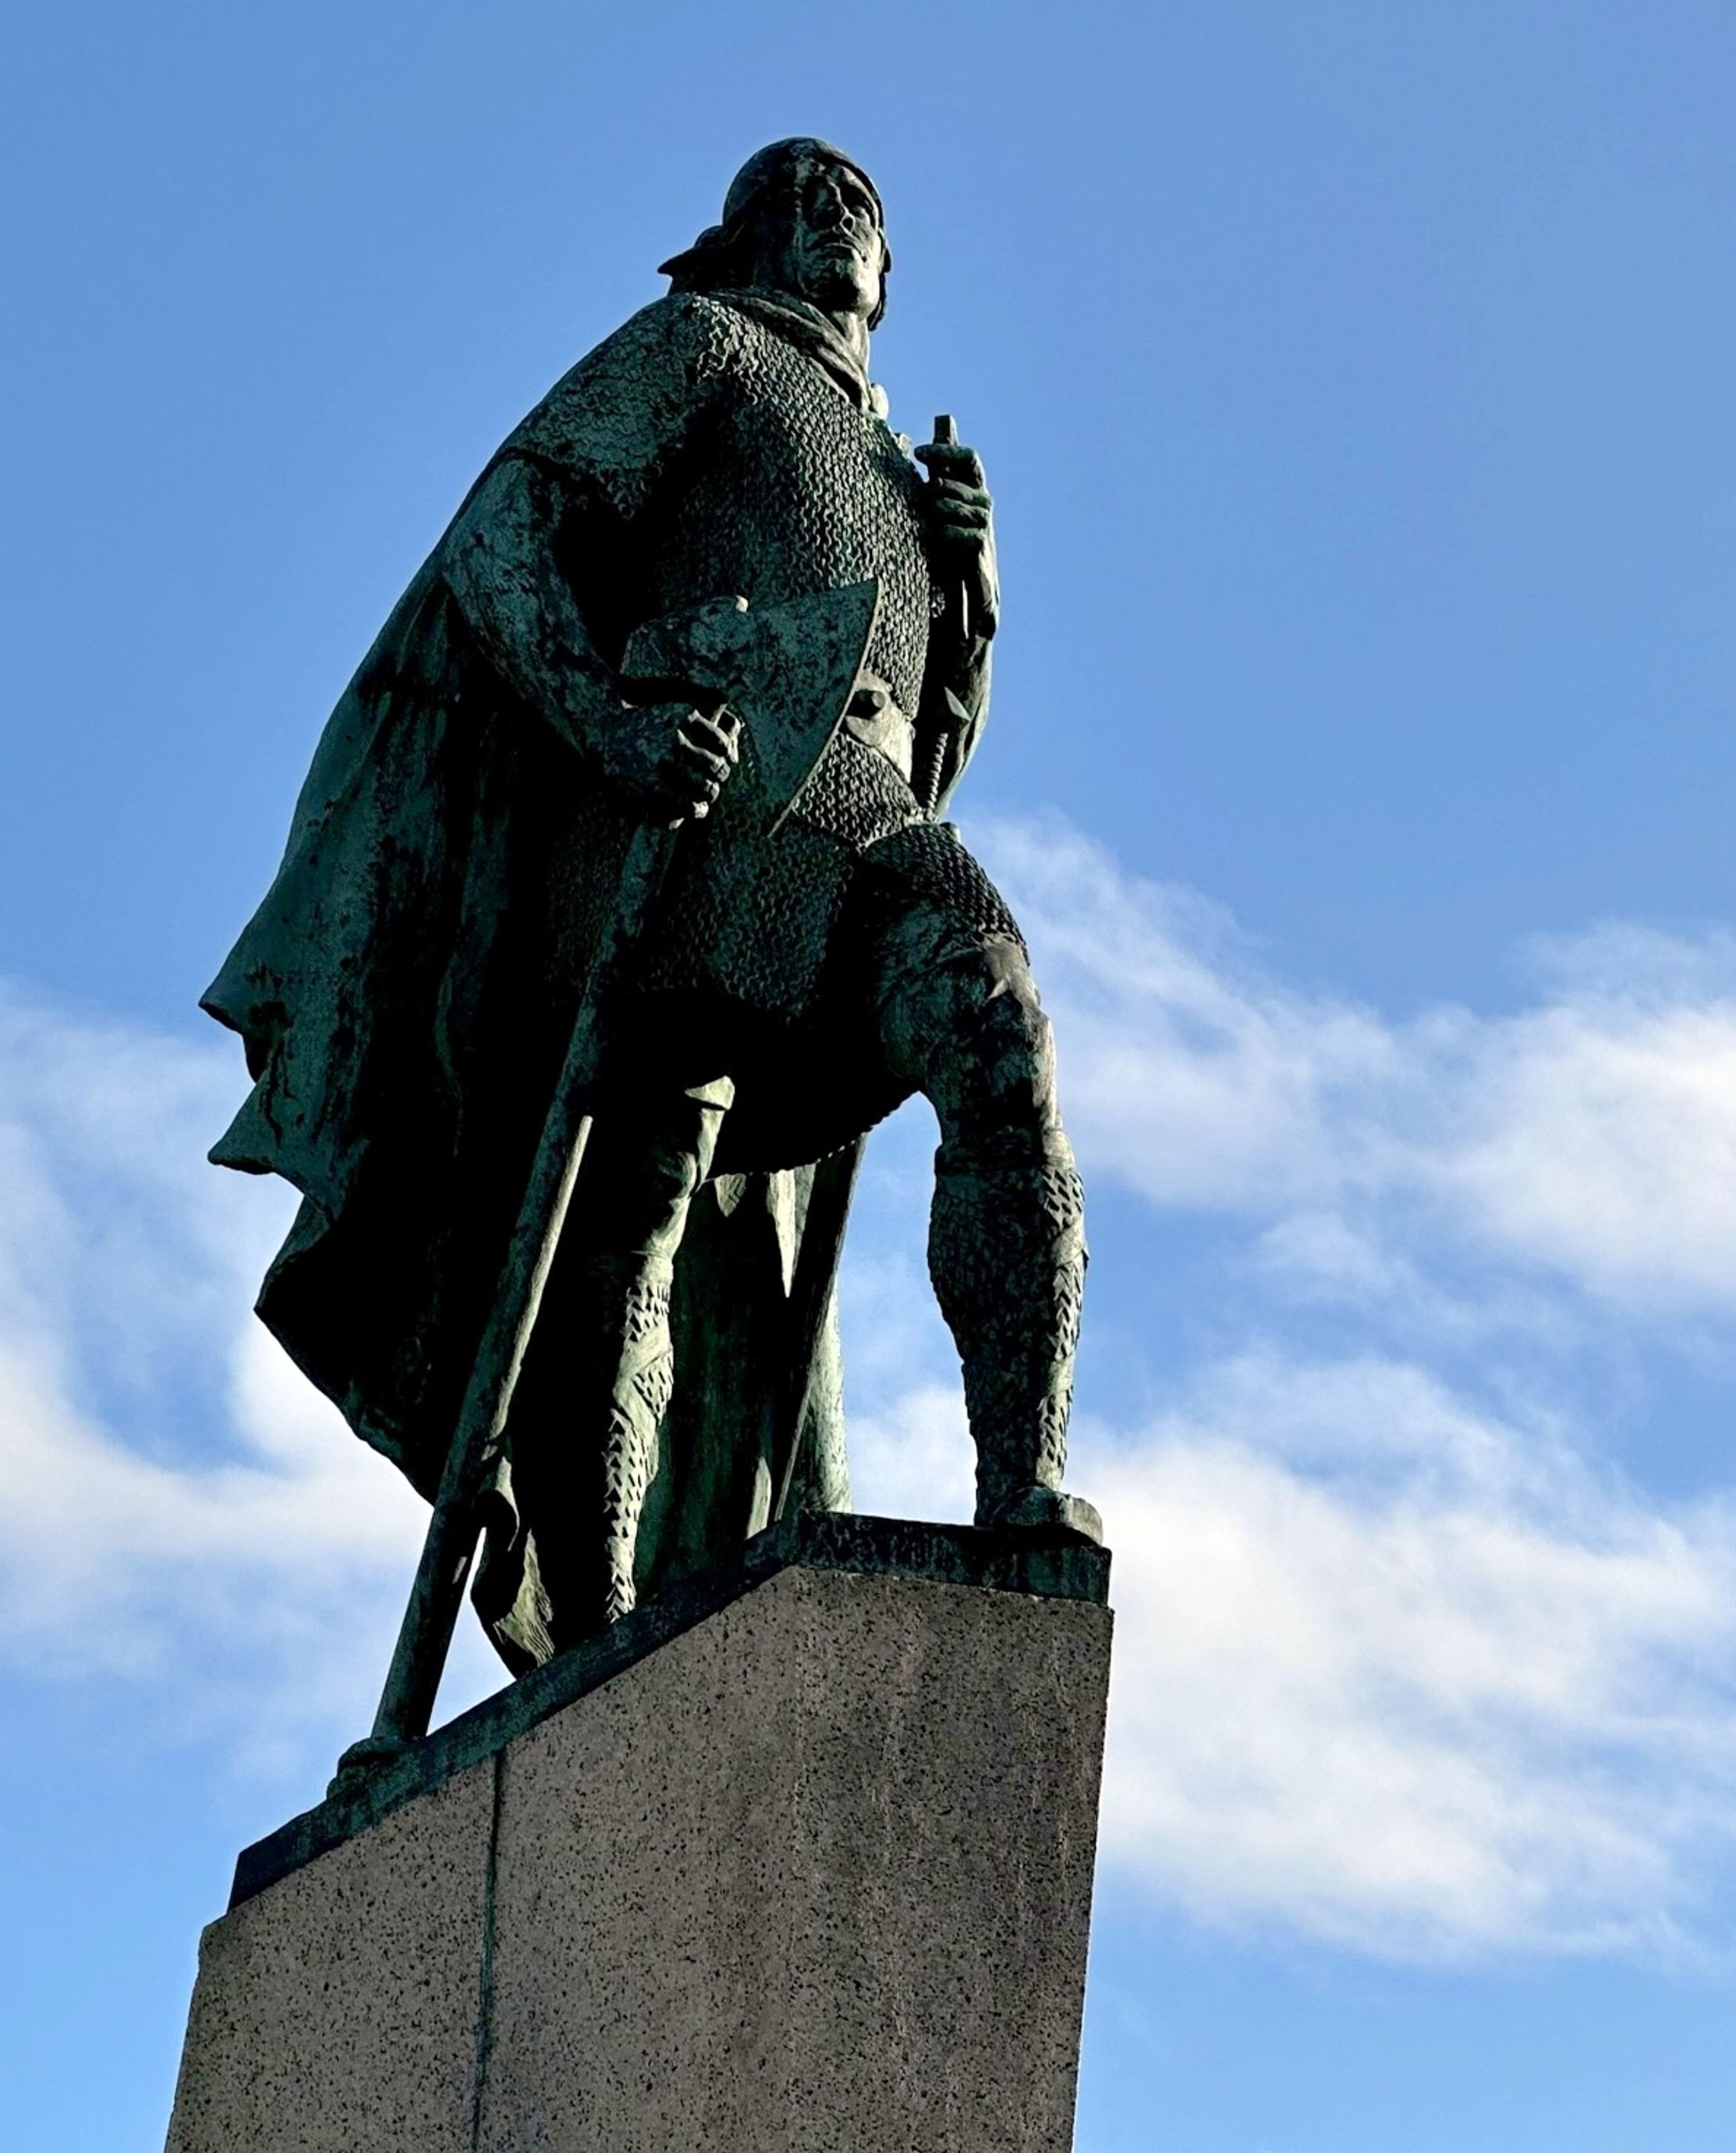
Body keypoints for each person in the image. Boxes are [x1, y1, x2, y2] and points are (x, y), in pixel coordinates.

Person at [203, 138, 1096, 1674]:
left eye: (863, 205)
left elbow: (931, 749)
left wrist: (975, 596)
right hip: (697, 821)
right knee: (635, 1217)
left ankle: (1019, 1487)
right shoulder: (701, 347)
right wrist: (605, 727)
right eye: (801, 194)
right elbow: (507, 536)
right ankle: (600, 1617)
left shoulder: (904, 466)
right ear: (734, 240)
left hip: (862, 815)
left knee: (996, 1019)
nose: (838, 214)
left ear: (891, 270)